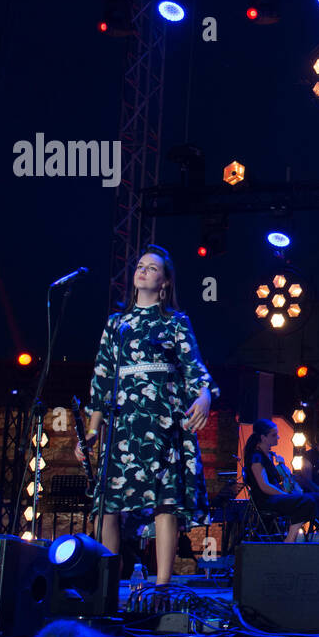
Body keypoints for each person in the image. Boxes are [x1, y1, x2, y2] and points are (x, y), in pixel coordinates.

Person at [78, 246, 217, 585]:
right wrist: (92, 433)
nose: (142, 271)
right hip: (124, 426)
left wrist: (203, 399)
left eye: (152, 268)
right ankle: (107, 586)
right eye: (140, 266)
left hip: (162, 424)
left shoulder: (175, 322)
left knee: (164, 504)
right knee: (108, 506)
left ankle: (162, 586)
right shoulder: (116, 324)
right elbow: (101, 381)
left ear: (165, 282)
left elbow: (196, 372)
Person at [242, 419, 319, 541]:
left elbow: (281, 479)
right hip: (267, 500)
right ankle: (289, 539)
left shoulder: (269, 455)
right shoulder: (257, 457)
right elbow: (264, 486)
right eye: (274, 435)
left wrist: (282, 467)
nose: (278, 437)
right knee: (307, 501)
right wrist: (284, 495)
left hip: (275, 496)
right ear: (263, 438)